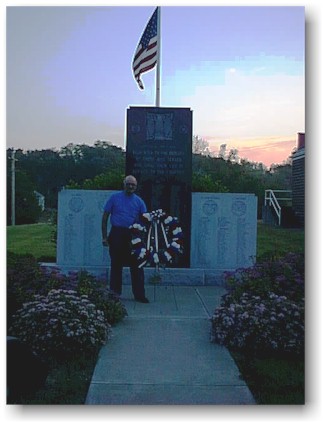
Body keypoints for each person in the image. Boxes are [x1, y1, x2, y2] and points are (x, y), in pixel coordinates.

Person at [101, 175, 149, 303]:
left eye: (133, 185)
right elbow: (105, 217)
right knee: (116, 265)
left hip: (133, 235)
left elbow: (145, 220)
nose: (131, 186)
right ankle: (114, 294)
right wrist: (104, 237)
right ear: (124, 184)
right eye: (128, 184)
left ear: (136, 186)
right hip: (117, 234)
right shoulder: (114, 198)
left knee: (137, 265)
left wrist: (142, 239)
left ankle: (139, 295)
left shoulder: (139, 201)